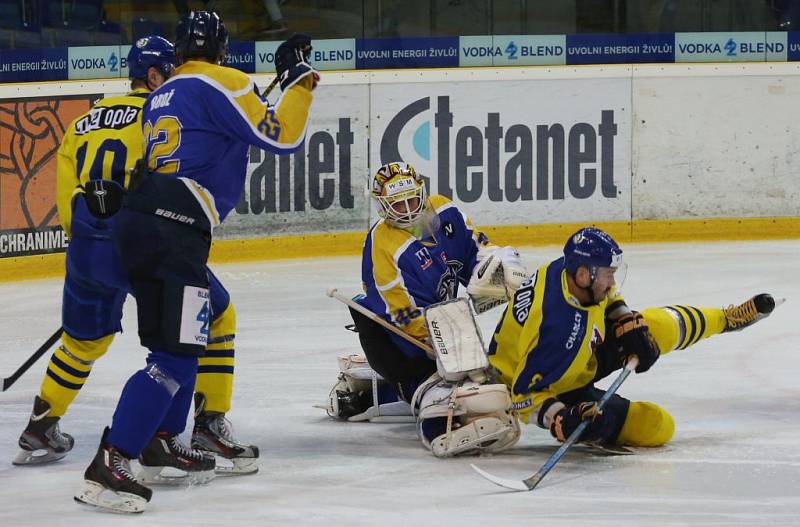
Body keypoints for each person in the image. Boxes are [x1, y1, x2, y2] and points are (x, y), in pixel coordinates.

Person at [73, 11, 317, 513]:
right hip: (172, 231)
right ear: (222, 50)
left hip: (145, 222)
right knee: (174, 357)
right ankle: (112, 461)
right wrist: (301, 81)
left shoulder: (162, 95)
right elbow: (282, 136)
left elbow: (217, 134)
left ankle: (161, 438)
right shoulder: (223, 79)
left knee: (202, 324)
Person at [13, 35, 256, 476]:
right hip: (142, 241)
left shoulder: (84, 119)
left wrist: (93, 250)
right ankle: (202, 424)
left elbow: (68, 197)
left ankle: (40, 425)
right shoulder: (161, 112)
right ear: (155, 75)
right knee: (211, 320)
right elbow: (174, 185)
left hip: (87, 247)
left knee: (84, 340)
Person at [488, 227, 777, 449]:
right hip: (553, 385)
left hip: (582, 357)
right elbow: (522, 396)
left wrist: (624, 316)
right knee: (656, 426)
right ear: (583, 275)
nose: (612, 282)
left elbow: (609, 295)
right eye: (607, 274)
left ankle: (726, 319)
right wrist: (561, 418)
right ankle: (593, 428)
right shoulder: (552, 327)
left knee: (654, 326)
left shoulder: (568, 271)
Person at [321, 161, 528, 457]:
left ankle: (372, 392)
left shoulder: (445, 211)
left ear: (423, 192)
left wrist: (495, 266)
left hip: (447, 323)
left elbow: (476, 250)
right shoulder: (384, 244)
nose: (406, 209)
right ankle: (431, 420)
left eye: (411, 200)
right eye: (397, 204)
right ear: (383, 207)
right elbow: (399, 314)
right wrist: (442, 344)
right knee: (440, 391)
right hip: (397, 340)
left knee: (482, 382)